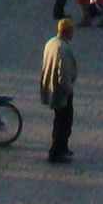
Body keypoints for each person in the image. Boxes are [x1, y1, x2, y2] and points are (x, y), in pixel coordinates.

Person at [40, 18, 78, 164]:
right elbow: (63, 72)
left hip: (51, 86)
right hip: (61, 90)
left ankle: (62, 147)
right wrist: (68, 89)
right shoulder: (63, 48)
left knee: (61, 119)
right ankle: (56, 152)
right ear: (67, 31)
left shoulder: (51, 42)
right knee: (64, 121)